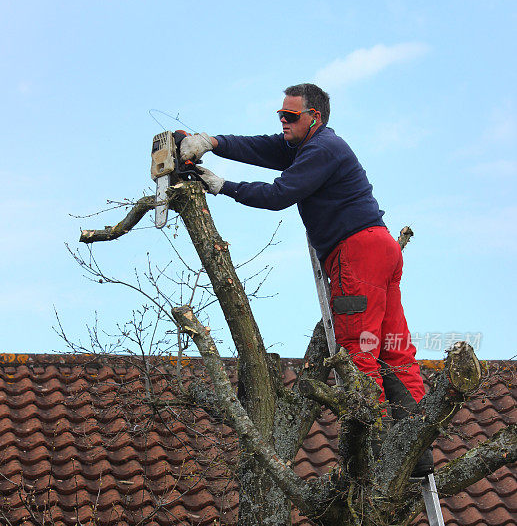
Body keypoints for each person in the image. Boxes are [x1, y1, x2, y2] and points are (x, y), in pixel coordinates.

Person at [180, 83, 433, 476]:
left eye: (290, 116)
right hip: (381, 248)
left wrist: (223, 186)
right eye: (279, 115)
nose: (282, 122)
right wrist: (211, 141)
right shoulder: (308, 145)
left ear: (314, 117)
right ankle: (417, 448)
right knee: (393, 348)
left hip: (356, 253)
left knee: (357, 351)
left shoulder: (321, 149)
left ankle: (379, 448)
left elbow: (280, 194)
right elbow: (261, 148)